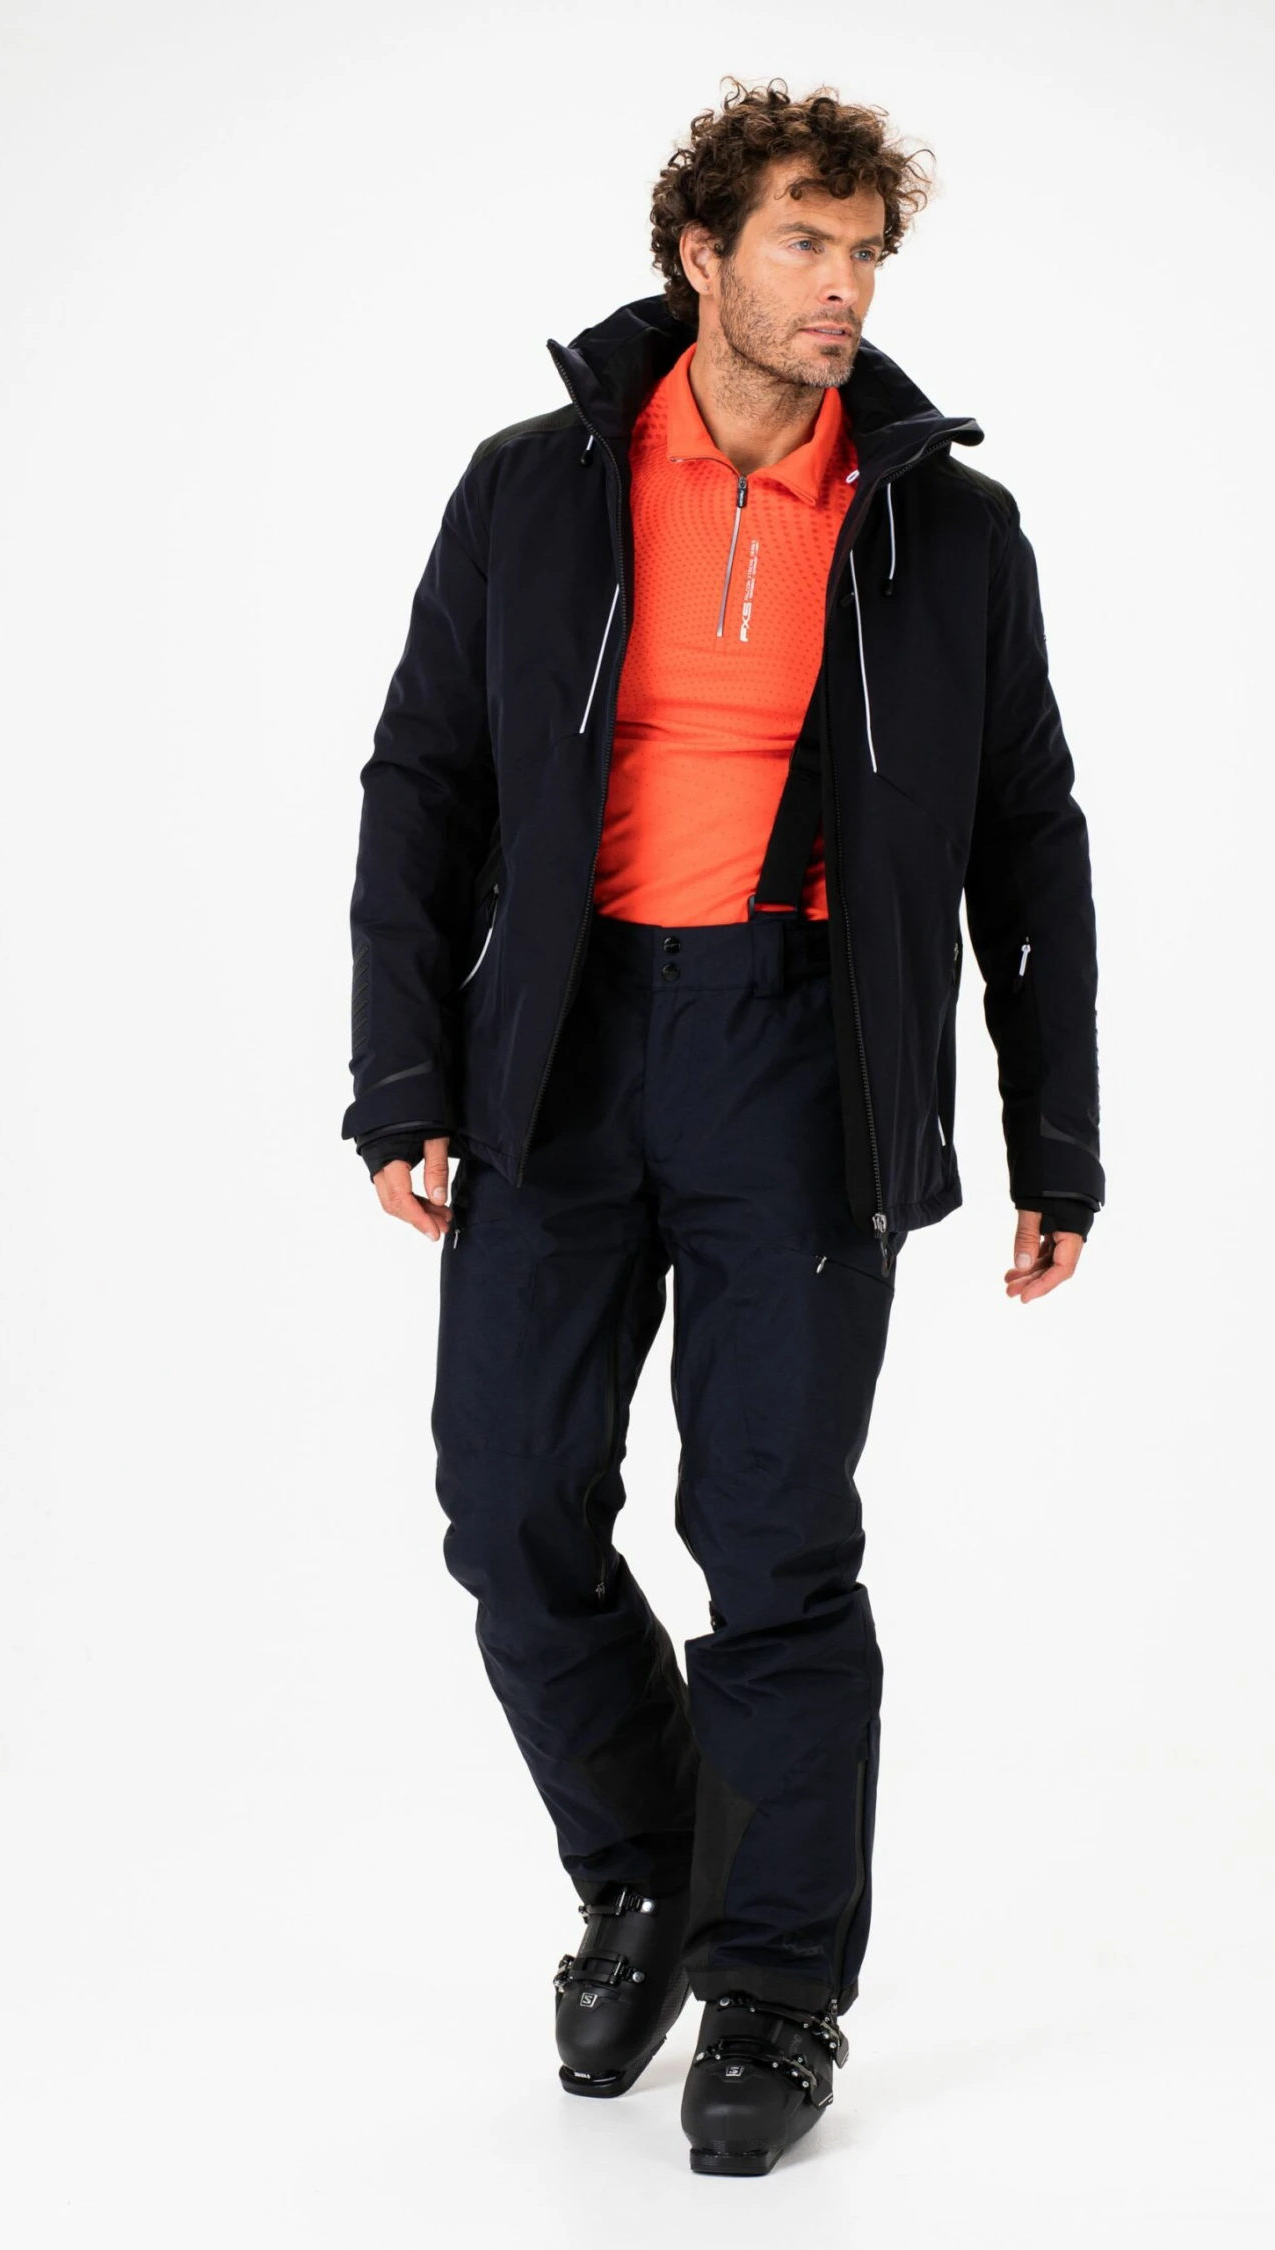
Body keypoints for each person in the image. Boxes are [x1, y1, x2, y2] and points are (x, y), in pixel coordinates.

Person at [340, 76, 1105, 2176]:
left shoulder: (949, 530)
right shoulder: (536, 489)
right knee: (508, 1506)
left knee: (772, 1537)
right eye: (803, 244)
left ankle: (773, 1981)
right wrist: (401, 1071)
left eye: (866, 253)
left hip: (804, 1048)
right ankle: (649, 1865)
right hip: (565, 1044)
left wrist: (1057, 1130)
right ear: (701, 254)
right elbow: (425, 783)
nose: (843, 287)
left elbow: (1029, 838)